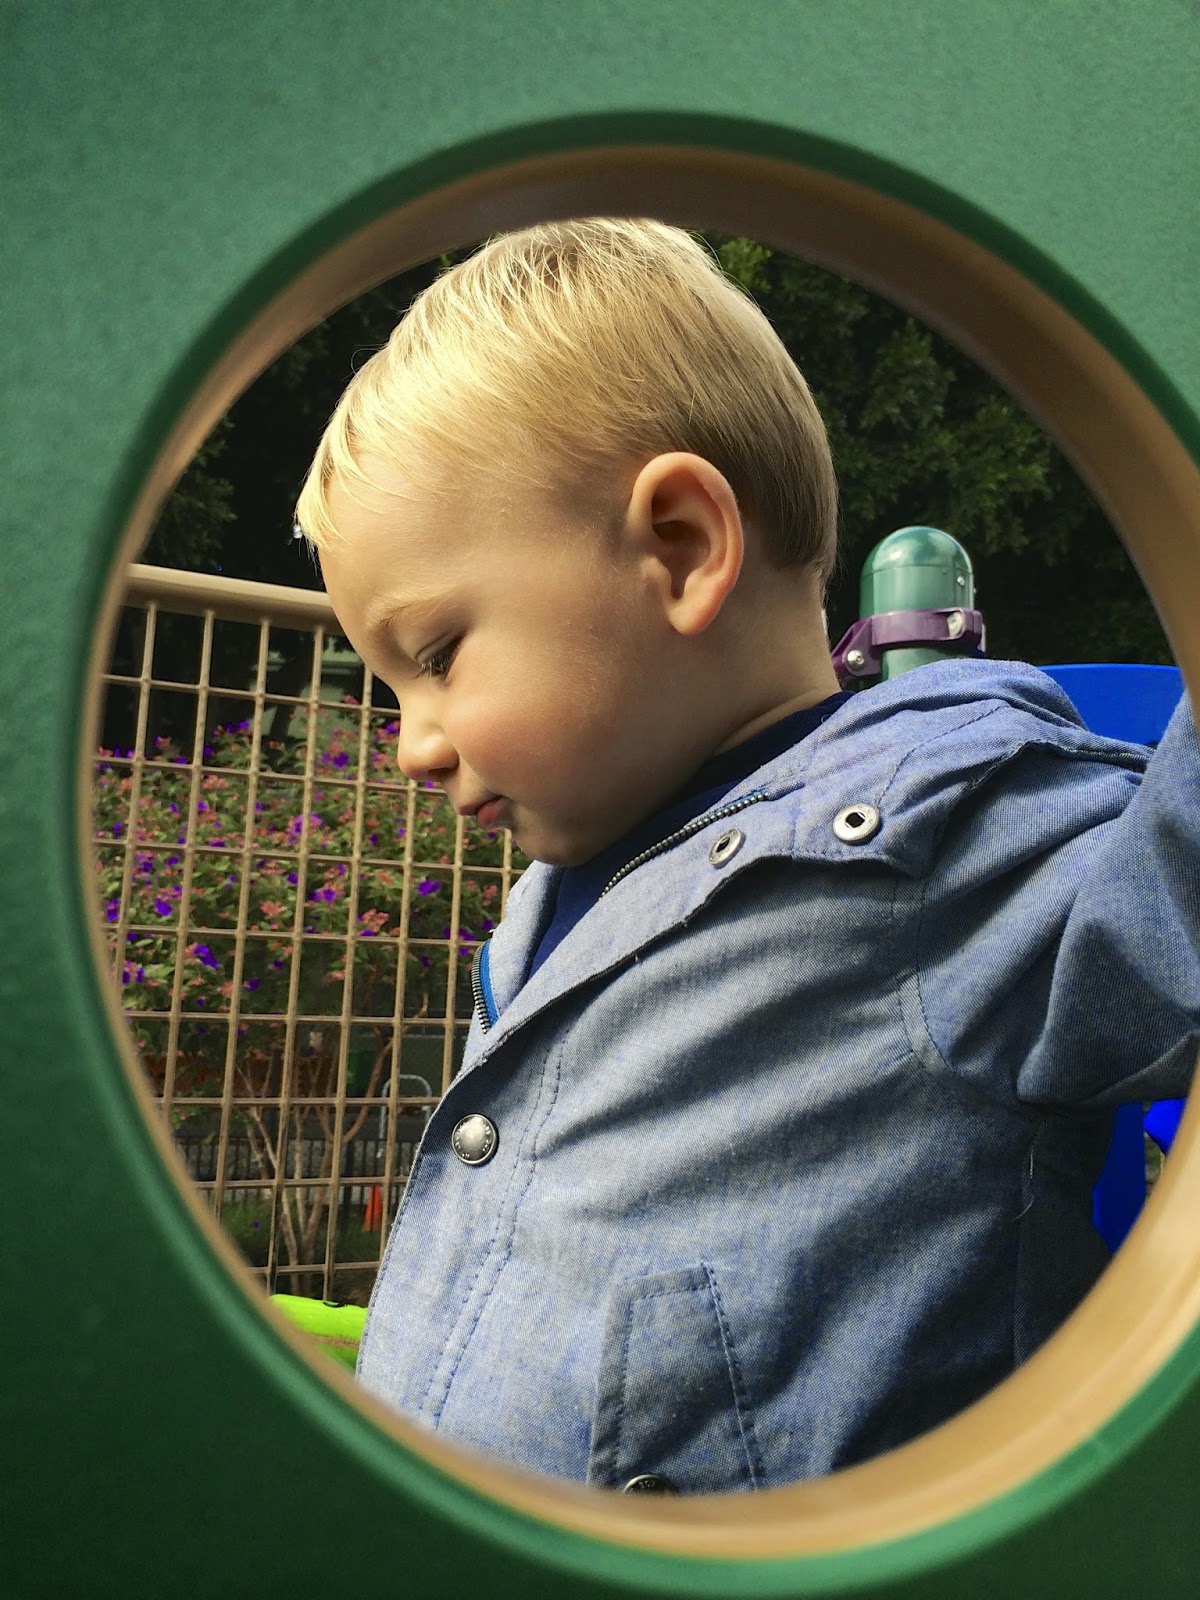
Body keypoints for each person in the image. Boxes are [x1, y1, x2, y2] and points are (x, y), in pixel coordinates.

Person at [294, 219, 1200, 1494]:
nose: (411, 747)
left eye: (436, 656)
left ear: (679, 546)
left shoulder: (939, 850)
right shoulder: (547, 914)